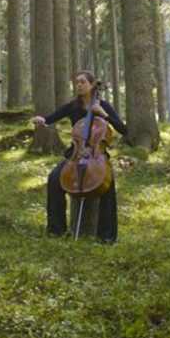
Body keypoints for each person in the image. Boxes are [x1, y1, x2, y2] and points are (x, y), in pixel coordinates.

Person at [32, 70, 127, 242]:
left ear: (92, 85)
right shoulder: (73, 106)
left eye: (83, 82)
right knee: (54, 179)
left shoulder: (103, 106)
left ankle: (107, 237)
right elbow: (52, 117)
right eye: (77, 82)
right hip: (75, 154)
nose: (79, 85)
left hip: (97, 155)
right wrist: (42, 119)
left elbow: (122, 129)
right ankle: (56, 229)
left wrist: (103, 115)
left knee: (107, 186)